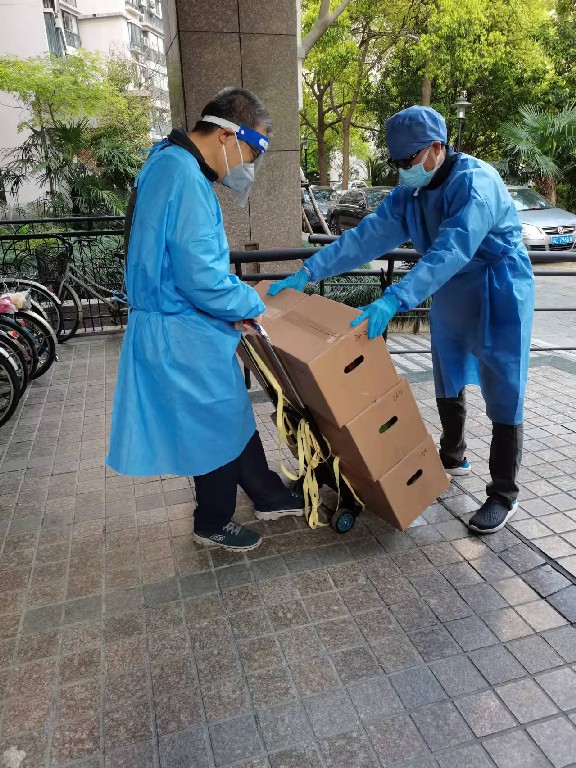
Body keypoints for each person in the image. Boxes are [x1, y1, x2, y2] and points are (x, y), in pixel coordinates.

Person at [269, 105, 534, 535]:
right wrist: (309, 270)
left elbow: (451, 249)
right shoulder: (412, 193)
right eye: (395, 162)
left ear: (436, 148)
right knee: (446, 371)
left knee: (505, 385)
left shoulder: (475, 184)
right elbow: (365, 238)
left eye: (407, 161)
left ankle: (504, 493)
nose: (401, 170)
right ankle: (454, 453)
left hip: (497, 287)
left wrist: (394, 299)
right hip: (450, 287)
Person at [107, 87, 304, 551]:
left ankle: (268, 494)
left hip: (177, 324)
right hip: (182, 329)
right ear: (226, 135)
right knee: (214, 423)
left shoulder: (165, 161)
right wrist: (251, 305)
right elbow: (201, 278)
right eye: (251, 153)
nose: (247, 167)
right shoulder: (186, 180)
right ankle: (211, 521)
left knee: (229, 413)